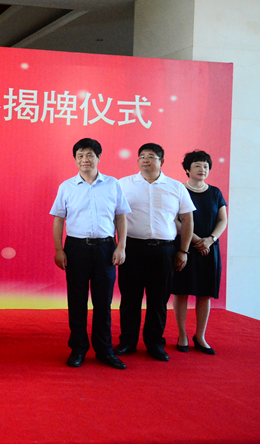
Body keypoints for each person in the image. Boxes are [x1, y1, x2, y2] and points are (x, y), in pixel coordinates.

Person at [50, 138, 130, 369]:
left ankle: (104, 350)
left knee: (103, 302)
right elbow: (58, 219)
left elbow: (121, 217)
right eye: (80, 156)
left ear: (98, 157)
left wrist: (121, 246)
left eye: (89, 155)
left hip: (106, 248)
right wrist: (59, 249)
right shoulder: (67, 186)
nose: (85, 160)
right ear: (75, 159)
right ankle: (78, 349)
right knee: (77, 301)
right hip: (76, 248)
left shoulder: (113, 184)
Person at [115, 143, 195, 361]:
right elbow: (114, 216)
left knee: (159, 299)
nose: (145, 160)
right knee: (130, 298)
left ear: (162, 161)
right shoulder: (123, 184)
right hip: (132, 249)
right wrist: (117, 245)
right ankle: (127, 342)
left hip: (164, 251)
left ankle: (154, 344)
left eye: (151, 156)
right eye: (142, 156)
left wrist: (184, 250)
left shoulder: (176, 187)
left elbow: (187, 219)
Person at [171, 150, 227, 355]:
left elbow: (222, 220)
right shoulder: (179, 190)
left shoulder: (215, 192)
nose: (202, 169)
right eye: (197, 165)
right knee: (181, 291)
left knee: (205, 294)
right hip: (185, 248)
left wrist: (210, 240)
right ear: (187, 169)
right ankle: (182, 334)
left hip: (209, 249)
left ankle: (200, 336)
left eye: (206, 166)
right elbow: (175, 220)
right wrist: (195, 240)